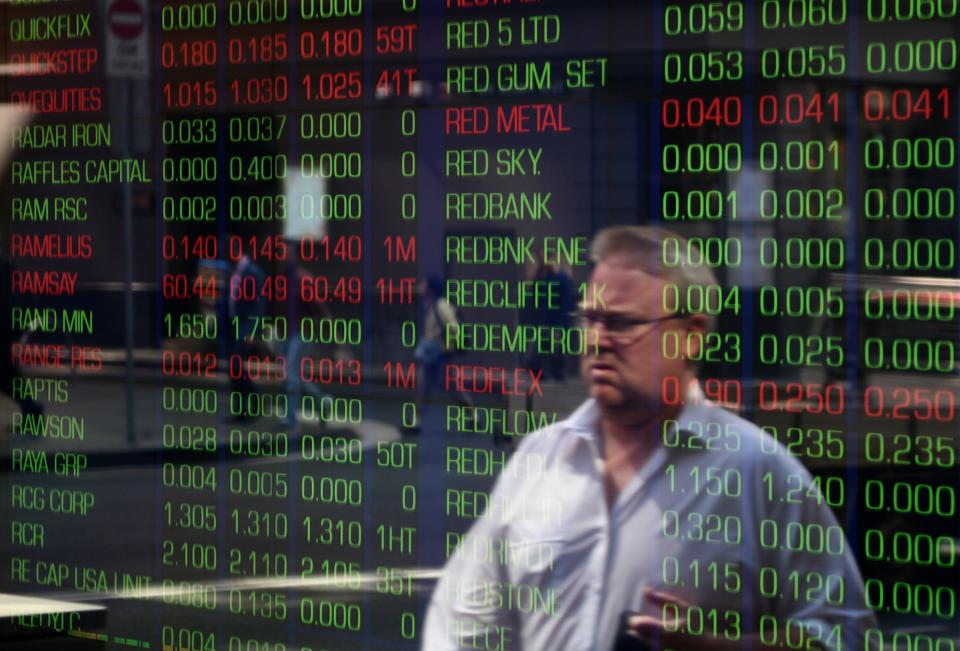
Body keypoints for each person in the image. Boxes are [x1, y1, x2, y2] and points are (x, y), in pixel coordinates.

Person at [423, 226, 875, 651]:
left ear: (691, 335)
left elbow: (848, 636)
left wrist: (724, 647)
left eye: (621, 324)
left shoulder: (759, 473)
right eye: (589, 318)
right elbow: (461, 625)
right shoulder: (539, 458)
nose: (596, 340)